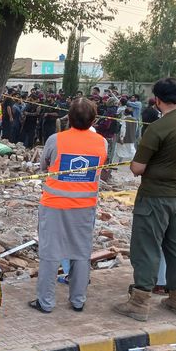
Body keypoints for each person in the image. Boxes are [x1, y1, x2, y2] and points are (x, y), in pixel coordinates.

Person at [113, 78, 176, 321]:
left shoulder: (157, 128)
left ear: (157, 99)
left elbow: (137, 168)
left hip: (156, 197)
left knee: (146, 246)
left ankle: (140, 302)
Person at [29, 98, 107, 313]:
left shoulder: (56, 140)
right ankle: (78, 300)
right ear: (93, 119)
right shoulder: (102, 142)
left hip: (54, 206)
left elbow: (44, 165)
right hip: (85, 207)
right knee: (81, 253)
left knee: (50, 253)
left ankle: (45, 302)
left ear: (69, 117)